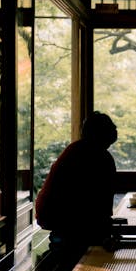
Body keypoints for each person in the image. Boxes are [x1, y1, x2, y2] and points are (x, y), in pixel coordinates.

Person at [35, 111, 118, 260]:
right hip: (63, 216)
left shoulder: (75, 149)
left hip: (51, 213)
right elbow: (101, 200)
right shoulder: (99, 157)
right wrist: (106, 228)